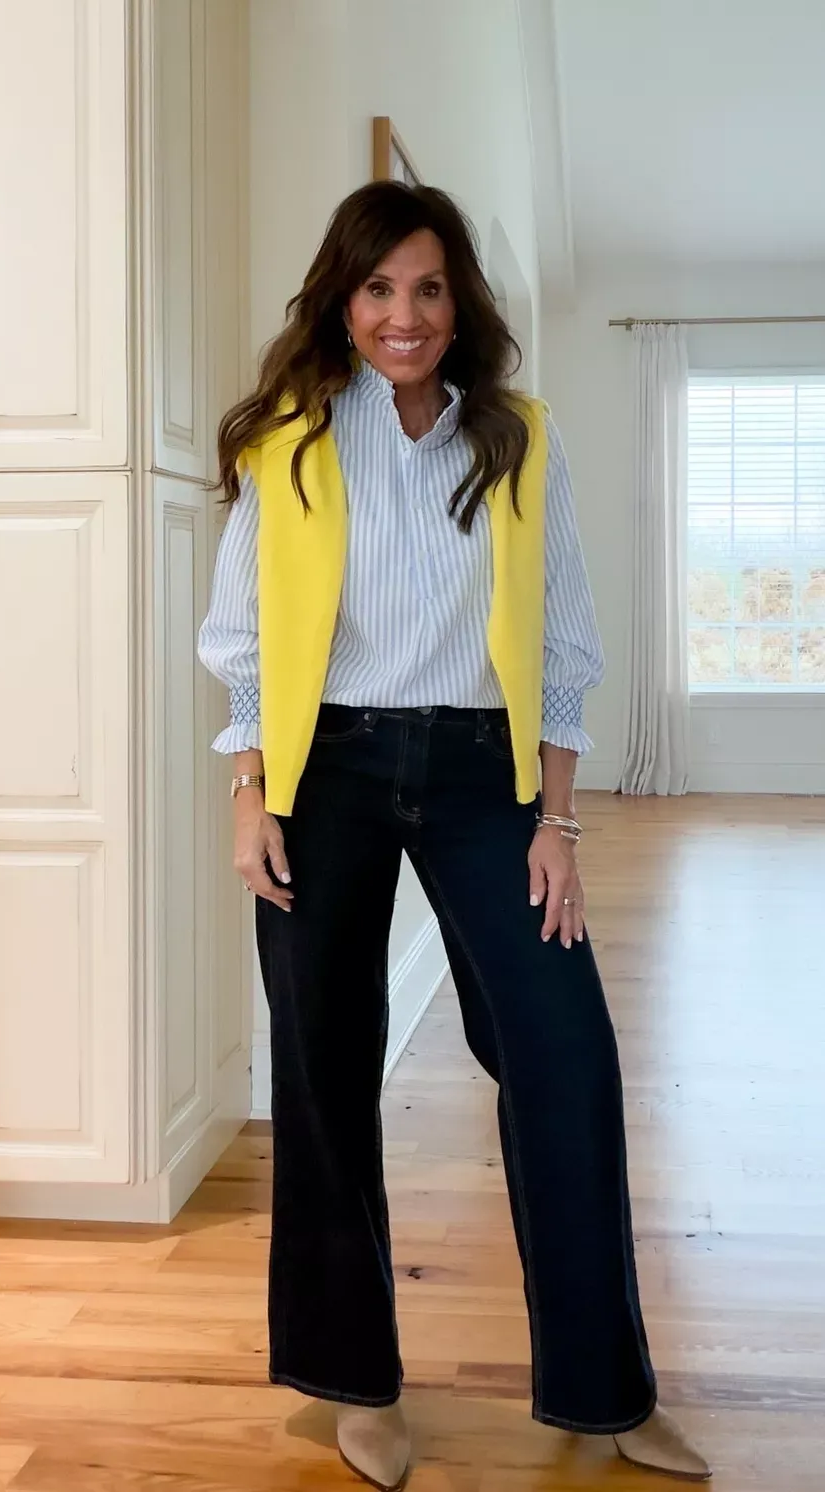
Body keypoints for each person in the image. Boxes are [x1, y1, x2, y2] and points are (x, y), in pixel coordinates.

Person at [199, 181, 710, 1491]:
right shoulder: (291, 444)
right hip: (330, 777)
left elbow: (567, 641)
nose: (403, 316)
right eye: (378, 290)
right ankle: (351, 1381)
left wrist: (558, 819)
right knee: (323, 1076)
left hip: (487, 776)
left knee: (567, 1061)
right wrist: (251, 789)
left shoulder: (518, 440)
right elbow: (245, 639)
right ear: (344, 300)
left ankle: (603, 1391)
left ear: (459, 301)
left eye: (427, 289)